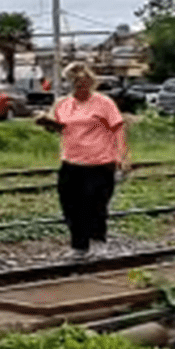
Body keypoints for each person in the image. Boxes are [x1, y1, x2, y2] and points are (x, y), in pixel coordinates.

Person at [35, 61, 130, 257]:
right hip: (71, 162)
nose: (79, 87)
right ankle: (79, 245)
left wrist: (123, 155)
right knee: (70, 205)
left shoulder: (104, 103)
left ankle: (97, 240)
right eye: (75, 84)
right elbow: (62, 128)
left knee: (95, 204)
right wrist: (46, 122)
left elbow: (117, 128)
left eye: (83, 83)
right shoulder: (63, 104)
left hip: (99, 162)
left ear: (91, 83)